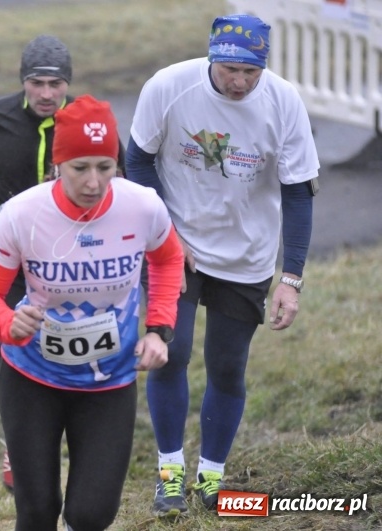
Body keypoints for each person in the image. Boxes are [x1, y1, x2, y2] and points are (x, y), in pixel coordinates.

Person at [126, 14, 320, 516]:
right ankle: (170, 475)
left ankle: (211, 478)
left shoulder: (284, 101)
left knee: (228, 367)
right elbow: (138, 160)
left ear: (264, 68)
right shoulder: (168, 86)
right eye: (230, 69)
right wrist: (166, 229)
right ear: (212, 58)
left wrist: (291, 279)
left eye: (250, 73)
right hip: (177, 246)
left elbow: (299, 194)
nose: (239, 82)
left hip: (247, 254)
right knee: (172, 350)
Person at [0, 95, 184, 530]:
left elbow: (166, 259)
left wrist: (159, 328)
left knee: (91, 514)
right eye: (79, 168)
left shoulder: (141, 206)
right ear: (56, 167)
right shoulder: (22, 214)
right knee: (37, 511)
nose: (92, 182)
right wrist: (7, 323)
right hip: (31, 378)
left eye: (104, 167)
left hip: (109, 380)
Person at [0, 34, 124, 492]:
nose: (47, 94)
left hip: (71, 263)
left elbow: (115, 173)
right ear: (23, 82)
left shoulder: (85, 125)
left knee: (72, 342)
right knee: (11, 350)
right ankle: (19, 443)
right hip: (6, 258)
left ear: (68, 83)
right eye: (37, 83)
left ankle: (84, 440)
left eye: (56, 84)